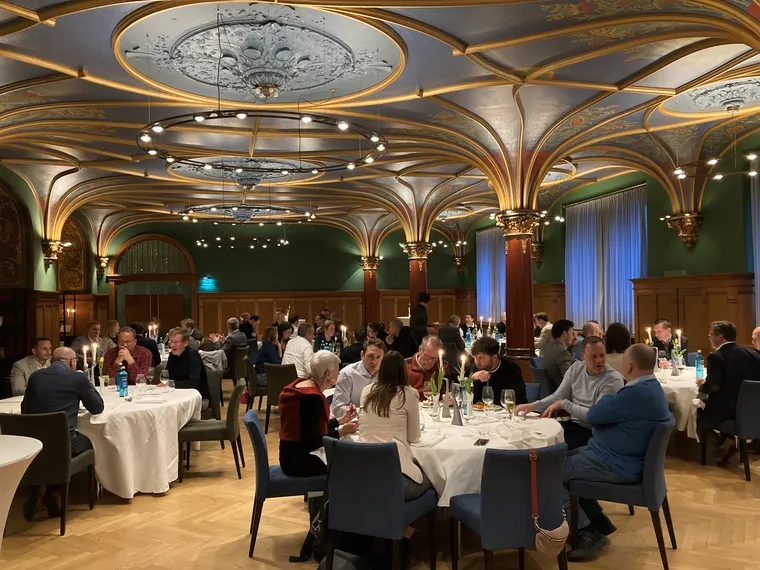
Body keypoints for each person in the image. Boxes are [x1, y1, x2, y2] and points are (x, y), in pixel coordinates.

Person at [562, 344, 671, 561]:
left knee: (548, 473)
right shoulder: (652, 388)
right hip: (618, 457)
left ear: (629, 366)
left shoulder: (634, 394)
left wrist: (604, 406)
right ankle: (597, 520)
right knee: (561, 459)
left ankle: (586, 532)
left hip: (616, 464)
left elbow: (594, 415)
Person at [279, 351, 358, 563]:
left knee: (342, 465)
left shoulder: (300, 386)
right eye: (337, 371)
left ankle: (334, 528)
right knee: (345, 470)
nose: (339, 375)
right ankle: (329, 532)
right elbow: (312, 441)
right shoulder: (312, 398)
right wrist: (342, 431)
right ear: (328, 374)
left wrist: (339, 421)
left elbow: (311, 427)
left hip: (290, 455)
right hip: (298, 461)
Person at [21, 347, 104, 520]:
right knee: (93, 442)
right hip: (64, 443)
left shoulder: (35, 377)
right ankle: (54, 493)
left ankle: (39, 489)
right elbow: (97, 407)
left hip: (34, 443)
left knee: (52, 445)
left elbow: (25, 409)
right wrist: (85, 383)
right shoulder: (76, 378)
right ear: (72, 362)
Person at [515, 337, 624, 450]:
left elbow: (596, 416)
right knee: (534, 440)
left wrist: (565, 405)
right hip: (574, 425)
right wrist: (533, 406)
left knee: (549, 450)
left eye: (602, 356)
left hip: (595, 432)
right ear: (582, 356)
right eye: (594, 356)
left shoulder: (612, 379)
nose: (599, 361)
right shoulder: (576, 368)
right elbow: (558, 396)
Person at [360, 350, 433, 506]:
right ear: (403, 371)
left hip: (364, 474)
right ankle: (411, 522)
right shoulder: (408, 394)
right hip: (394, 477)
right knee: (435, 480)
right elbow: (413, 437)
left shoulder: (367, 391)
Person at [698, 321, 760, 434]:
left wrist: (701, 387)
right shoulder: (753, 354)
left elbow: (713, 386)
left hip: (727, 414)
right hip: (753, 411)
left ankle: (711, 441)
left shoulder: (716, 357)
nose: (709, 338)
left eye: (711, 335)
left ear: (720, 337)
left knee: (697, 410)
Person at [331, 338, 386, 418]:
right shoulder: (347, 374)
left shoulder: (385, 374)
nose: (374, 361)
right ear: (362, 355)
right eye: (370, 356)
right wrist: (366, 413)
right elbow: (338, 409)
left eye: (378, 357)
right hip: (348, 421)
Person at [470, 337, 526, 406]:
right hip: (483, 411)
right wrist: (473, 379)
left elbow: (519, 399)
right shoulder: (476, 368)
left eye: (481, 358)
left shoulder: (511, 369)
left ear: (494, 357)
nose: (477, 362)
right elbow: (473, 401)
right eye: (475, 357)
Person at [166, 328, 210, 401]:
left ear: (185, 343)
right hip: (176, 394)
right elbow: (167, 376)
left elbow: (193, 383)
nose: (172, 345)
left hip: (196, 396)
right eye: (171, 342)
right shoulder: (172, 355)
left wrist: (170, 384)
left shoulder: (193, 356)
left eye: (176, 342)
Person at [405, 335, 450, 401]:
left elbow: (446, 391)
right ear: (420, 350)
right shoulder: (405, 366)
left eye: (434, 358)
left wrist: (447, 396)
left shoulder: (442, 367)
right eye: (427, 356)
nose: (430, 361)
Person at [541, 319, 576, 394]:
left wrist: (571, 347)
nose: (573, 337)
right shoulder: (562, 352)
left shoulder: (549, 347)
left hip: (552, 390)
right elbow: (570, 378)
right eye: (571, 334)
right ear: (564, 334)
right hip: (562, 392)